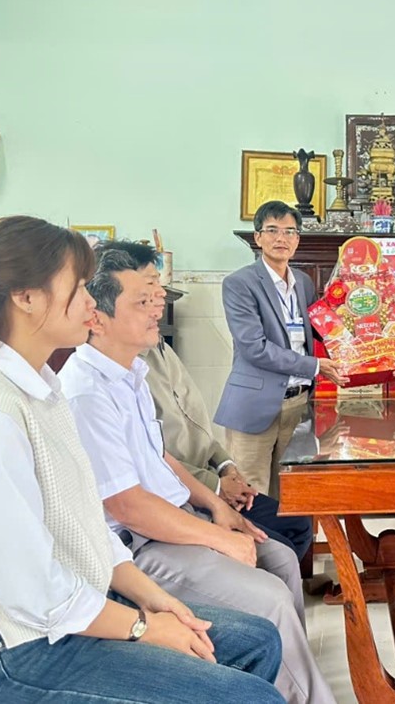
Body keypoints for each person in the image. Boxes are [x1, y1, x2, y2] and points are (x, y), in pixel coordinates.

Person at [0, 216, 284, 703]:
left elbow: (80, 520)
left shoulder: (38, 387)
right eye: (79, 285)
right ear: (26, 296)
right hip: (7, 650)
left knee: (255, 640)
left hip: (68, 606)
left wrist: (153, 598)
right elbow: (31, 589)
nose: (91, 301)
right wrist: (143, 626)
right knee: (252, 696)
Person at [59, 251, 334, 704]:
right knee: (268, 596)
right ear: (97, 317)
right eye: (143, 301)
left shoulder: (130, 374)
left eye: (156, 297)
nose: (157, 308)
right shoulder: (86, 392)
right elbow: (127, 506)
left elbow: (161, 457)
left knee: (281, 558)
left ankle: (284, 680)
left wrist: (217, 507)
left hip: (177, 518)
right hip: (143, 544)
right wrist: (218, 538)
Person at [97, 238, 312, 560]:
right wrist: (216, 488)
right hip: (179, 496)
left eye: (158, 284)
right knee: (276, 549)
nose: (161, 295)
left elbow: (195, 424)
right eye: (148, 289)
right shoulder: (119, 373)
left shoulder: (158, 348)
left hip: (207, 479)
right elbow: (152, 462)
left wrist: (226, 467)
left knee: (295, 522)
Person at [214, 200, 348, 499]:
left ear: (297, 239)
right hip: (256, 405)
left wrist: (361, 332)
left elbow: (320, 330)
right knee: (252, 495)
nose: (281, 238)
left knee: (292, 492)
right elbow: (255, 348)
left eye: (289, 231)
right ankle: (251, 535)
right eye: (272, 230)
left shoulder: (303, 282)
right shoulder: (239, 283)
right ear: (258, 237)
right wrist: (315, 366)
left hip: (299, 405)